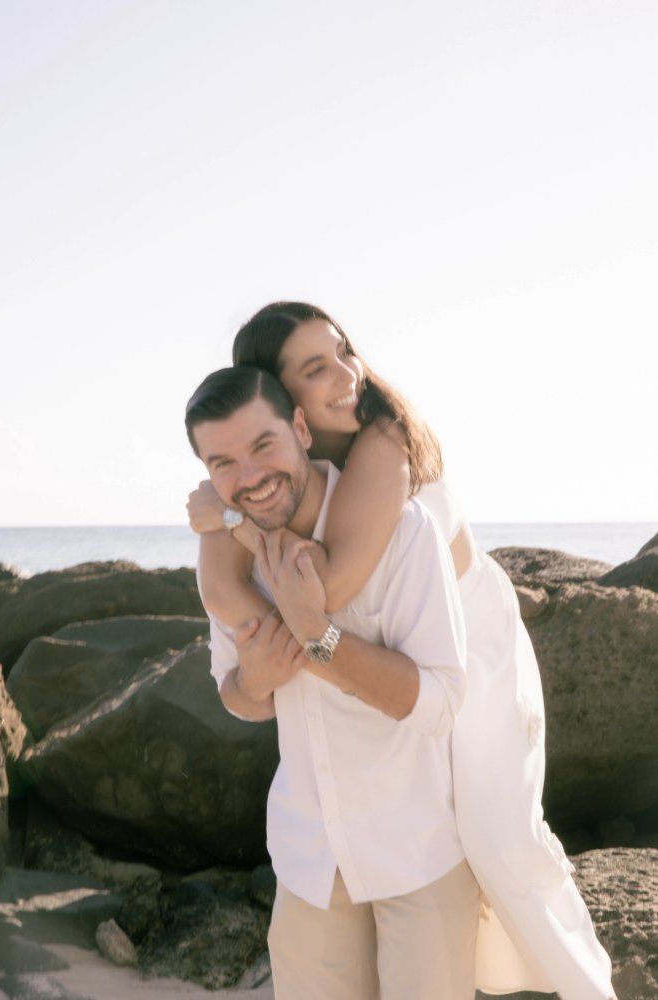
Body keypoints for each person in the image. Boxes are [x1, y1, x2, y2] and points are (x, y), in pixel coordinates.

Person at [188, 302, 616, 1000]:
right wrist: (251, 659)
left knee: (501, 844)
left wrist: (231, 519)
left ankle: (582, 987)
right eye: (314, 368)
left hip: (474, 648)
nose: (347, 374)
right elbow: (230, 609)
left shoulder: (380, 441)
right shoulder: (272, 472)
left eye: (342, 352)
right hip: (377, 679)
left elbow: (320, 595)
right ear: (278, 397)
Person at [185, 365, 480, 1000]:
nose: (250, 478)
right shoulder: (232, 559)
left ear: (299, 427)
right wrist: (255, 680)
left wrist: (316, 635)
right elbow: (234, 696)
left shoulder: (403, 533)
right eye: (223, 464)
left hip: (418, 853)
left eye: (263, 445)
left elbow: (440, 703)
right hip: (309, 858)